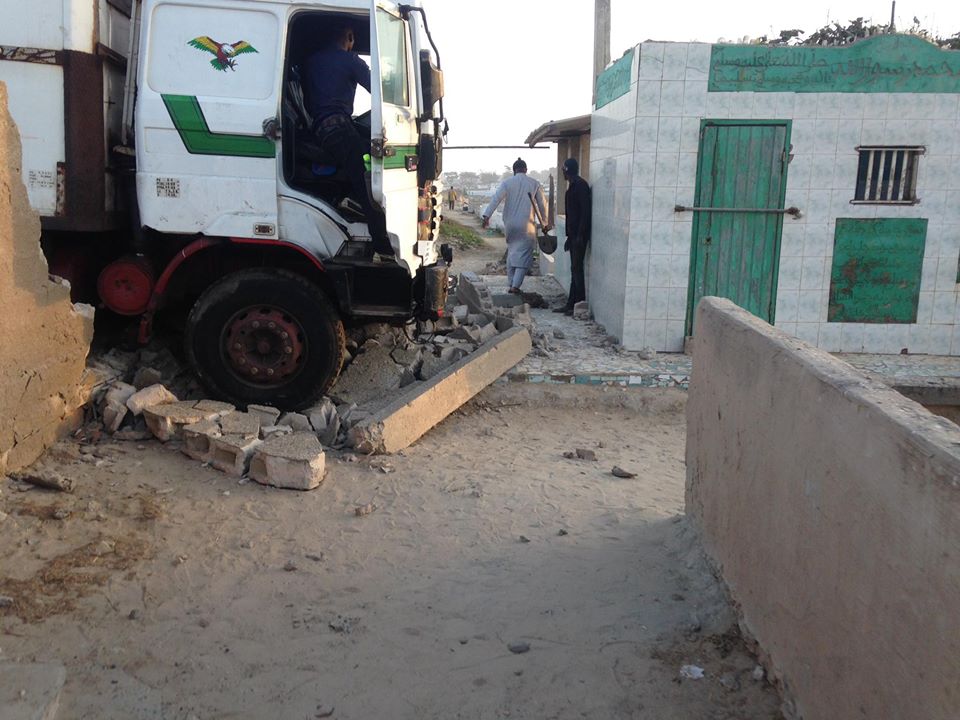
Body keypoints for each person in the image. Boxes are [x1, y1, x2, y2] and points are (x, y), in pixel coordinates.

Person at [304, 22, 393, 257]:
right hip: (338, 129)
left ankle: (351, 202)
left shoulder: (311, 61)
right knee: (369, 172)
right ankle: (382, 246)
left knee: (363, 152)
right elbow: (383, 92)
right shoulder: (351, 60)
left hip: (320, 129)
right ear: (350, 37)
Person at [481, 158, 550, 294]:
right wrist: (545, 223)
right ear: (525, 170)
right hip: (526, 226)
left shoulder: (507, 183)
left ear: (514, 171)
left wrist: (487, 216)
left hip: (510, 225)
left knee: (512, 253)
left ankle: (511, 283)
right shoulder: (534, 183)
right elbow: (542, 205)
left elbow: (496, 199)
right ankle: (515, 286)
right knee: (524, 257)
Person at [554, 158, 591, 315]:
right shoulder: (573, 187)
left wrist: (579, 235)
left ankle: (579, 304)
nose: (562, 173)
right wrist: (570, 236)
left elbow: (585, 213)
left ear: (567, 170)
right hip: (574, 235)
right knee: (574, 269)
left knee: (577, 269)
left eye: (563, 170)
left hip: (579, 235)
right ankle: (572, 303)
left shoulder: (580, 186)